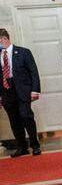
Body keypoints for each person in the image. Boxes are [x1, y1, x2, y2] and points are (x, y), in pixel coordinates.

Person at [0, 28, 42, 156]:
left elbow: (33, 72)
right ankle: (22, 147)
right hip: (6, 90)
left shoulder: (23, 52)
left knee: (26, 116)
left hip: (22, 89)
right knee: (14, 120)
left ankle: (35, 145)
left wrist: (35, 90)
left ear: (4, 39)